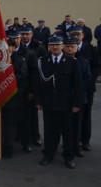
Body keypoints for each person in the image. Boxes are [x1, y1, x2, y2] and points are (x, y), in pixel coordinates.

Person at [35, 36, 83, 169]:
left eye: (57, 44)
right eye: (52, 45)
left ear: (63, 46)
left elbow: (78, 85)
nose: (55, 47)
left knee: (67, 133)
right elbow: (37, 83)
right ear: (48, 46)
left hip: (66, 104)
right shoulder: (43, 61)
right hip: (49, 103)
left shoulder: (72, 62)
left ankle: (69, 157)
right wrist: (38, 101)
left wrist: (76, 104)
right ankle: (48, 154)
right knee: (50, 132)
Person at [69, 27, 99, 152]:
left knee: (85, 116)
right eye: (73, 34)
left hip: (87, 88)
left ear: (83, 35)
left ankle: (85, 141)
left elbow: (96, 67)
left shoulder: (91, 49)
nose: (76, 36)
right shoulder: (68, 48)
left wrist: (87, 84)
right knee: (72, 117)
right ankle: (72, 141)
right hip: (70, 90)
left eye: (78, 34)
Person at [63, 36, 91, 158]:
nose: (70, 49)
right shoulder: (60, 61)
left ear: (76, 48)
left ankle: (75, 148)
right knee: (62, 125)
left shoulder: (83, 62)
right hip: (63, 98)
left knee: (76, 125)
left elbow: (88, 79)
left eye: (72, 47)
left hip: (78, 98)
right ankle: (64, 147)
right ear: (63, 47)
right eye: (67, 46)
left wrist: (77, 90)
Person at [0, 36, 28, 159]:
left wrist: (7, 82)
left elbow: (22, 78)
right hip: (0, 96)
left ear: (13, 47)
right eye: (5, 47)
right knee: (1, 123)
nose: (7, 49)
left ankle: (9, 148)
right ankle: (2, 146)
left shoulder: (19, 60)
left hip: (13, 98)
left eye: (9, 46)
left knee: (11, 125)